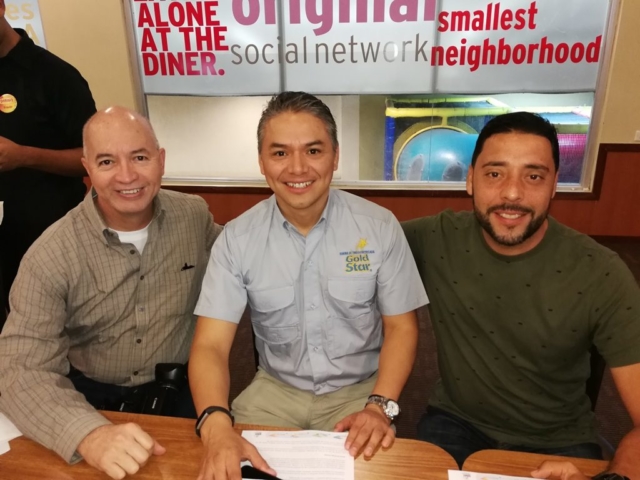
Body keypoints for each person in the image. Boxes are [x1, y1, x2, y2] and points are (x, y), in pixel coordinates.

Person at [189, 91, 428, 480]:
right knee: (226, 469)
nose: (297, 168)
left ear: (335, 156)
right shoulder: (237, 239)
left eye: (313, 151)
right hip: (274, 393)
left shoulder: (380, 227)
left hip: (359, 393)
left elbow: (402, 327)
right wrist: (215, 423)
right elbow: (210, 345)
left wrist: (379, 407)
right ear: (262, 161)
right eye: (280, 153)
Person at [402, 112, 640, 479]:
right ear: (470, 179)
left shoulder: (602, 272)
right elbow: (354, 239)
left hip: (558, 438)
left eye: (533, 176)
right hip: (455, 421)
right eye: (495, 174)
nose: (512, 193)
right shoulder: (435, 238)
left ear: (554, 185)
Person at [0, 107, 220, 480]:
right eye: (106, 162)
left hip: (184, 395)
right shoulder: (50, 255)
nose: (127, 175)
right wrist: (88, 434)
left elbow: (242, 258)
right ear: (87, 168)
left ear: (161, 160)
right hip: (92, 401)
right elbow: (19, 369)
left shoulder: (194, 217)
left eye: (140, 157)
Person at [0, 2, 97, 330]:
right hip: (4, 239)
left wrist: (24, 156)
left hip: (47, 235)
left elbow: (92, 158)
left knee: (57, 329)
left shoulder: (54, 75)